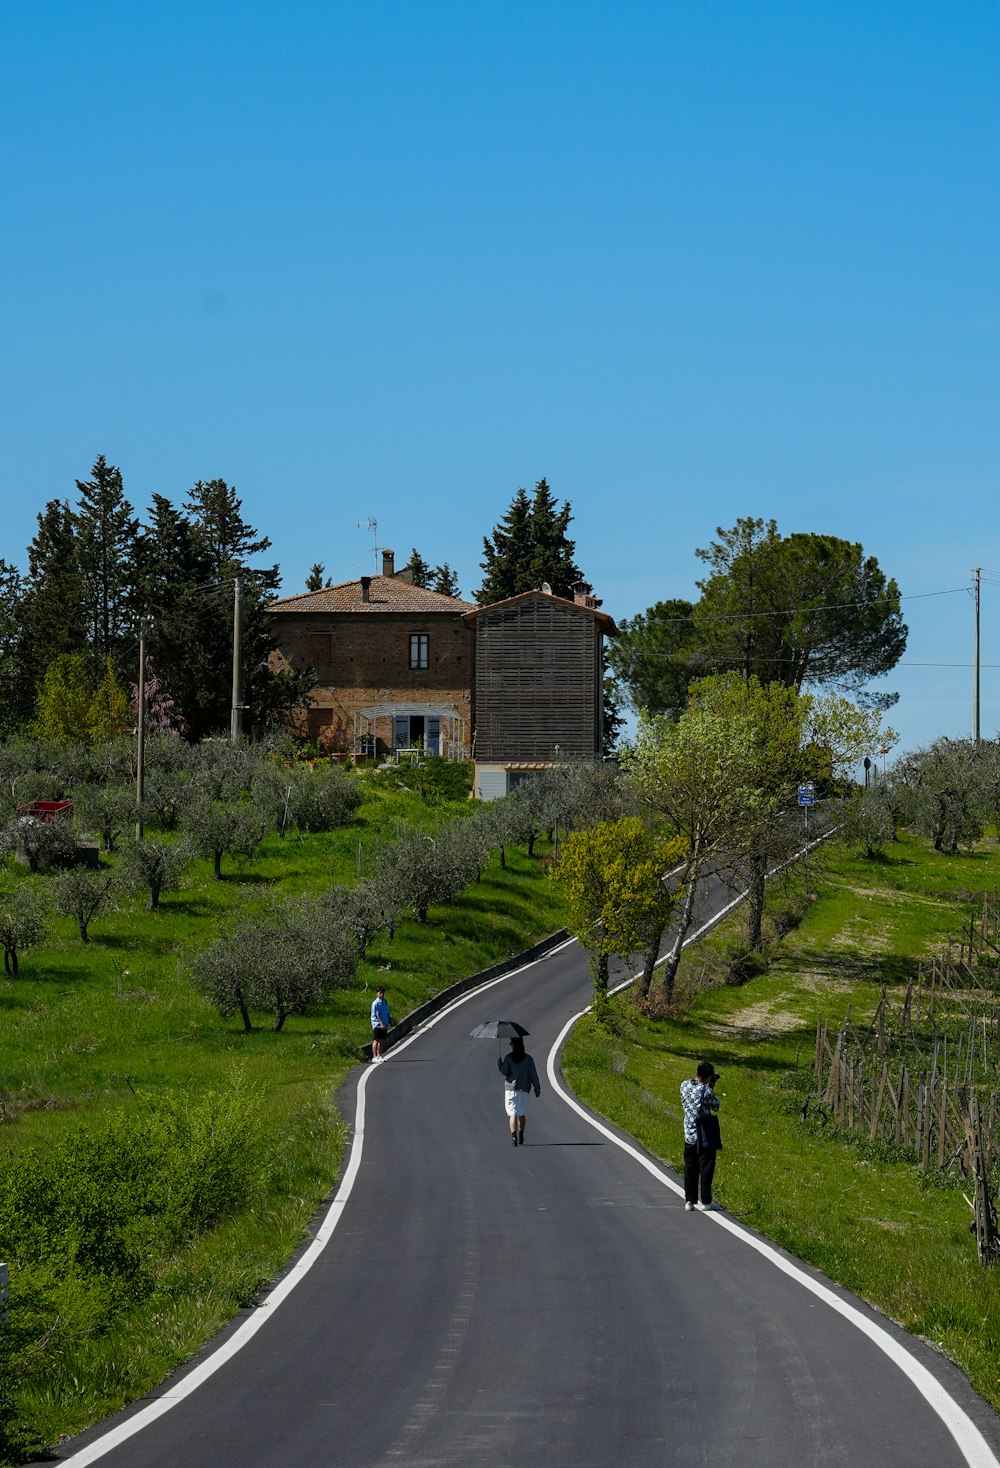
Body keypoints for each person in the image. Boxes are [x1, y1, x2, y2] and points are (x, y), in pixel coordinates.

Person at [680, 1061, 722, 1211]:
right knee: (706, 1167)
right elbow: (715, 1106)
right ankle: (706, 1201)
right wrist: (712, 1086)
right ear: (709, 1077)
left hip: (688, 1133)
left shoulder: (684, 1085)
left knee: (690, 1168)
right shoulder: (706, 1090)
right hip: (704, 1134)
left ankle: (689, 1201)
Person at [498, 1035, 540, 1145]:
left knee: (512, 1113)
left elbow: (505, 1072)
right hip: (524, 1089)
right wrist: (537, 1087)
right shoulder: (528, 1059)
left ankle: (513, 1138)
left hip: (511, 1089)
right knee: (521, 1113)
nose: (510, 1044)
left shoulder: (508, 1058)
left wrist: (500, 1064)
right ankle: (521, 1135)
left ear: (513, 1045)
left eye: (511, 1042)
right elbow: (533, 1075)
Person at [370, 986, 391, 1063]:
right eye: (380, 993)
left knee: (382, 1040)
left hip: (384, 1023)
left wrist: (389, 1019)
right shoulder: (375, 1003)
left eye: (383, 993)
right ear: (377, 993)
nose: (381, 994)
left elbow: (387, 1012)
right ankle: (374, 1056)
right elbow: (377, 1014)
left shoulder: (384, 1002)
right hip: (377, 1024)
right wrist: (380, 1023)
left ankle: (379, 1055)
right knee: (376, 1039)